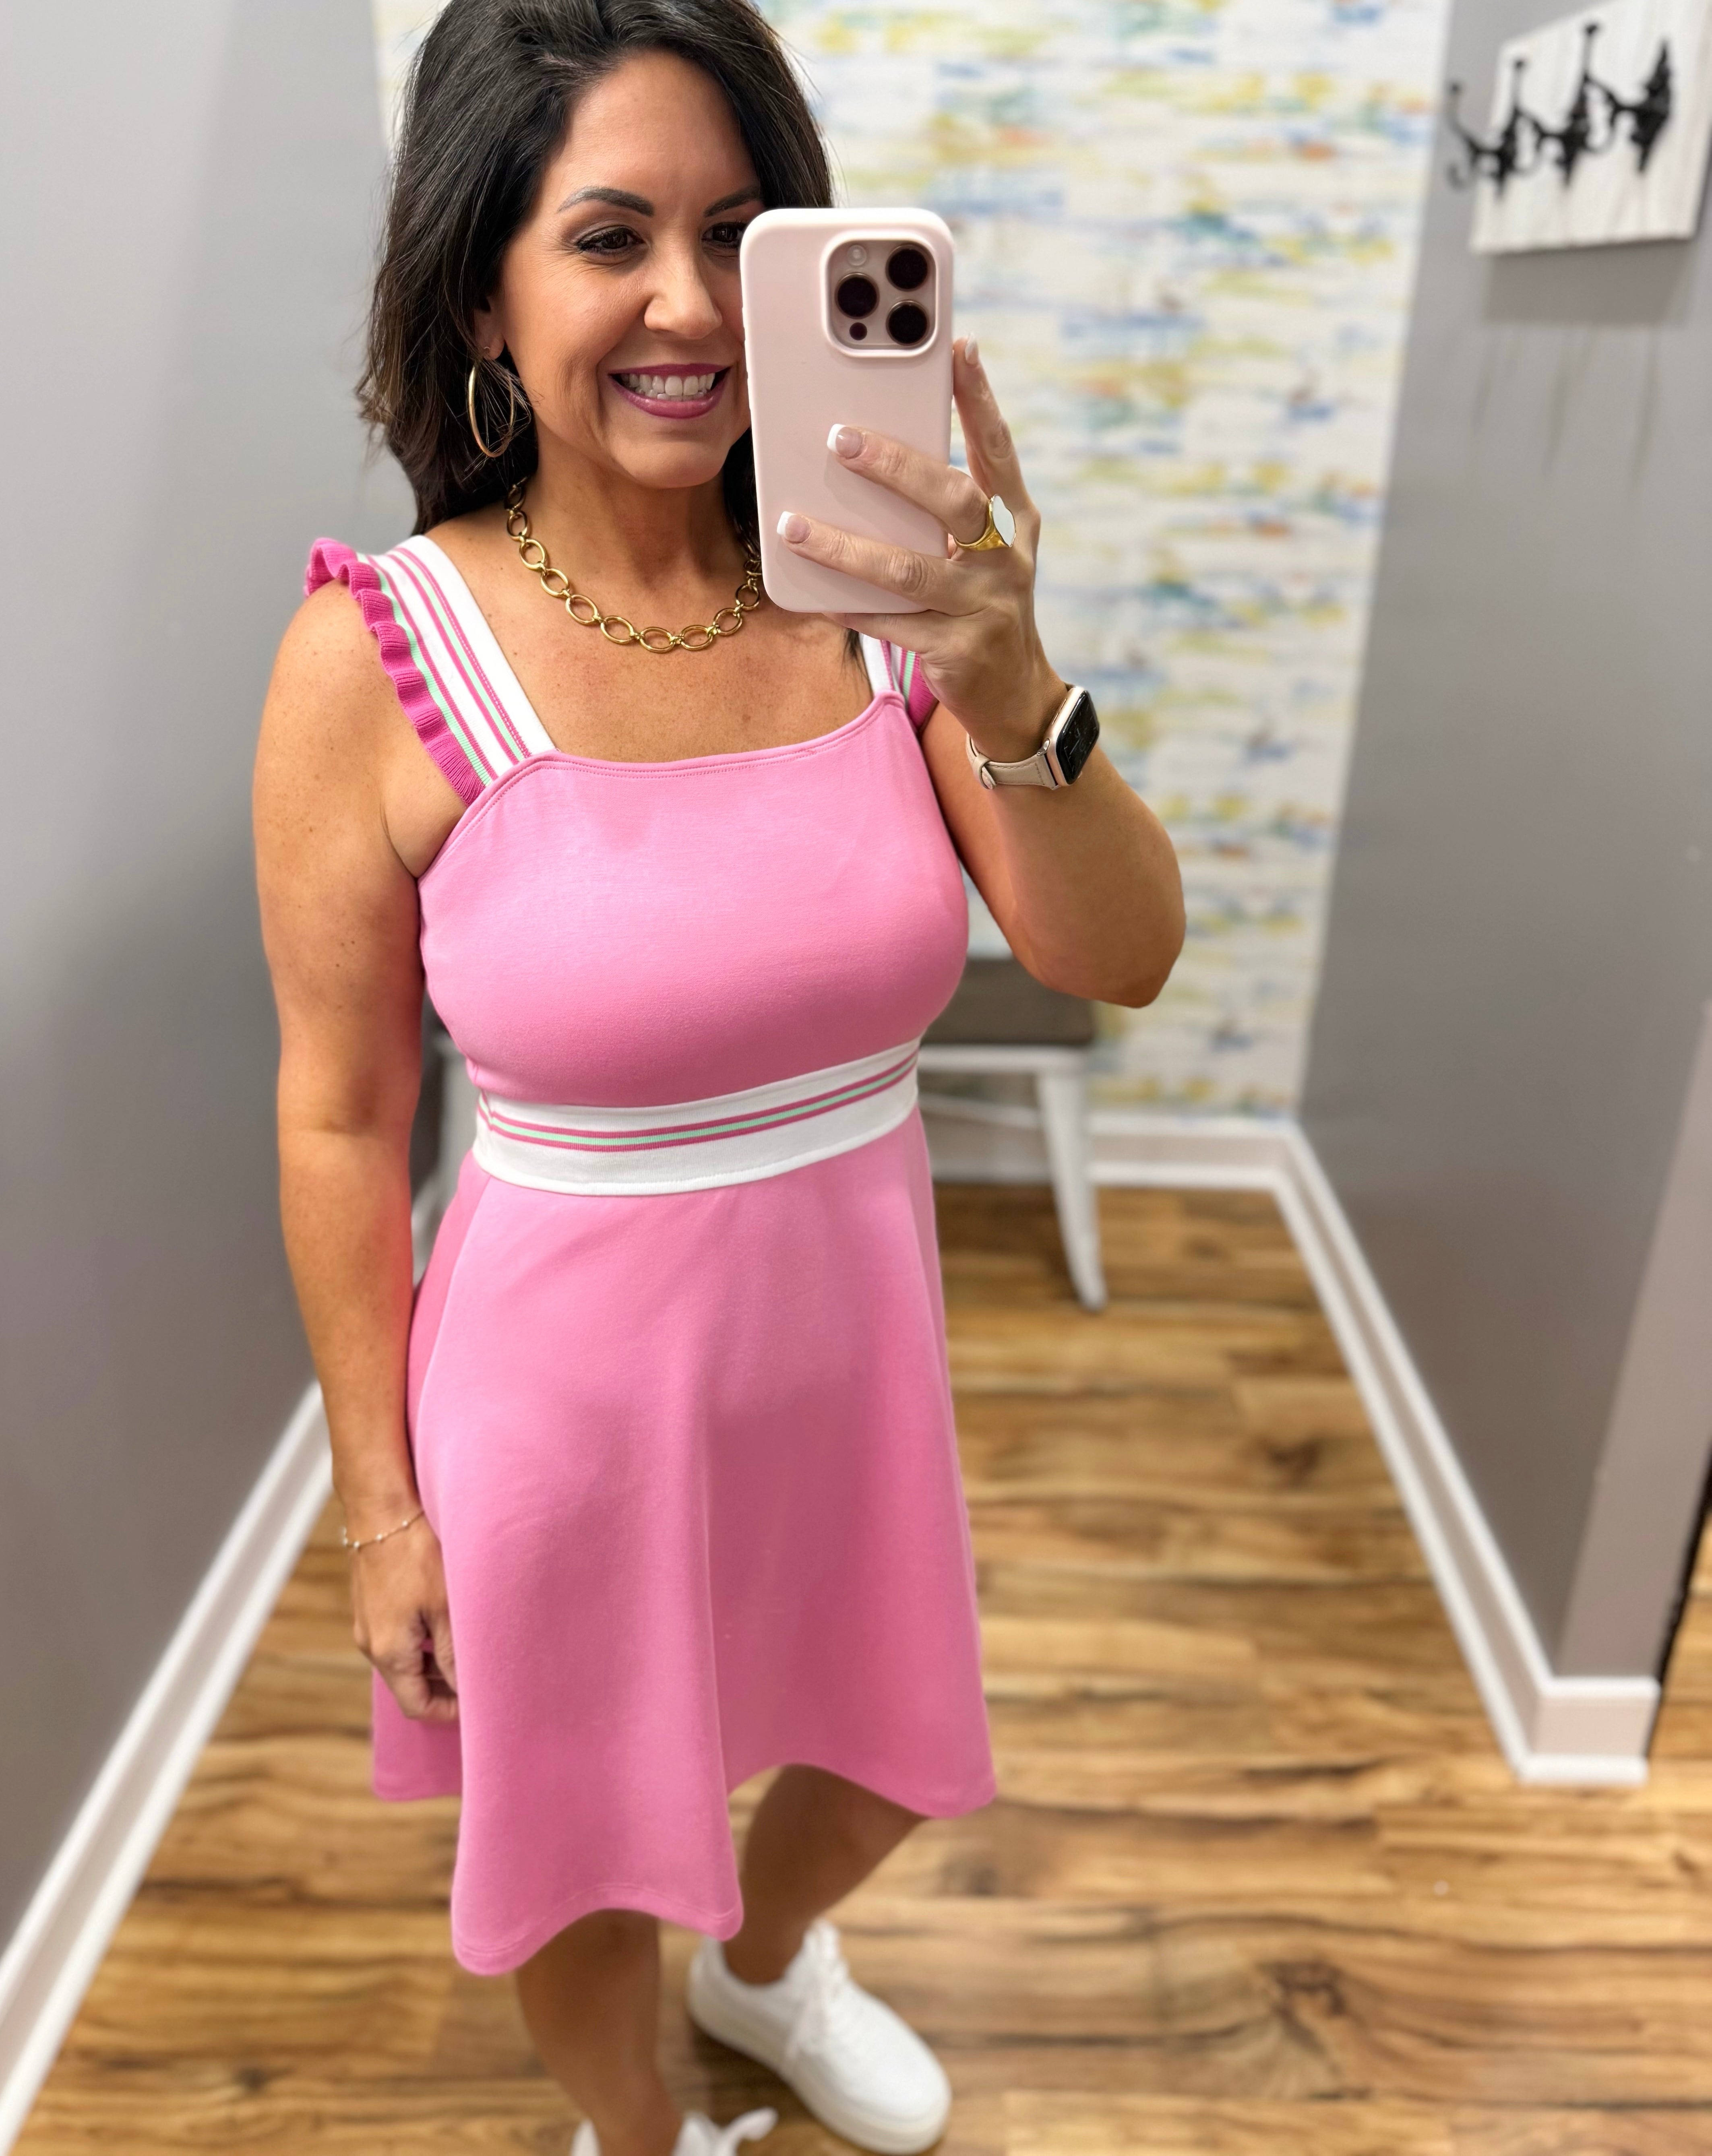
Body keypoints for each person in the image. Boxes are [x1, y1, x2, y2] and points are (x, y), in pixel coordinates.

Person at [253, 3, 1184, 2152]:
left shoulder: (876, 602)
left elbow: (1114, 954)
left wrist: (1005, 665)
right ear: (484, 287)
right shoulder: (379, 653)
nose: (686, 306)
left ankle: (768, 1974)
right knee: (576, 1840)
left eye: (742, 235)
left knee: (872, 1757)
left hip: (849, 1344)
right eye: (608, 239)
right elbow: (335, 1112)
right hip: (556, 1403)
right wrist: (380, 1505)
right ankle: (640, 2132)